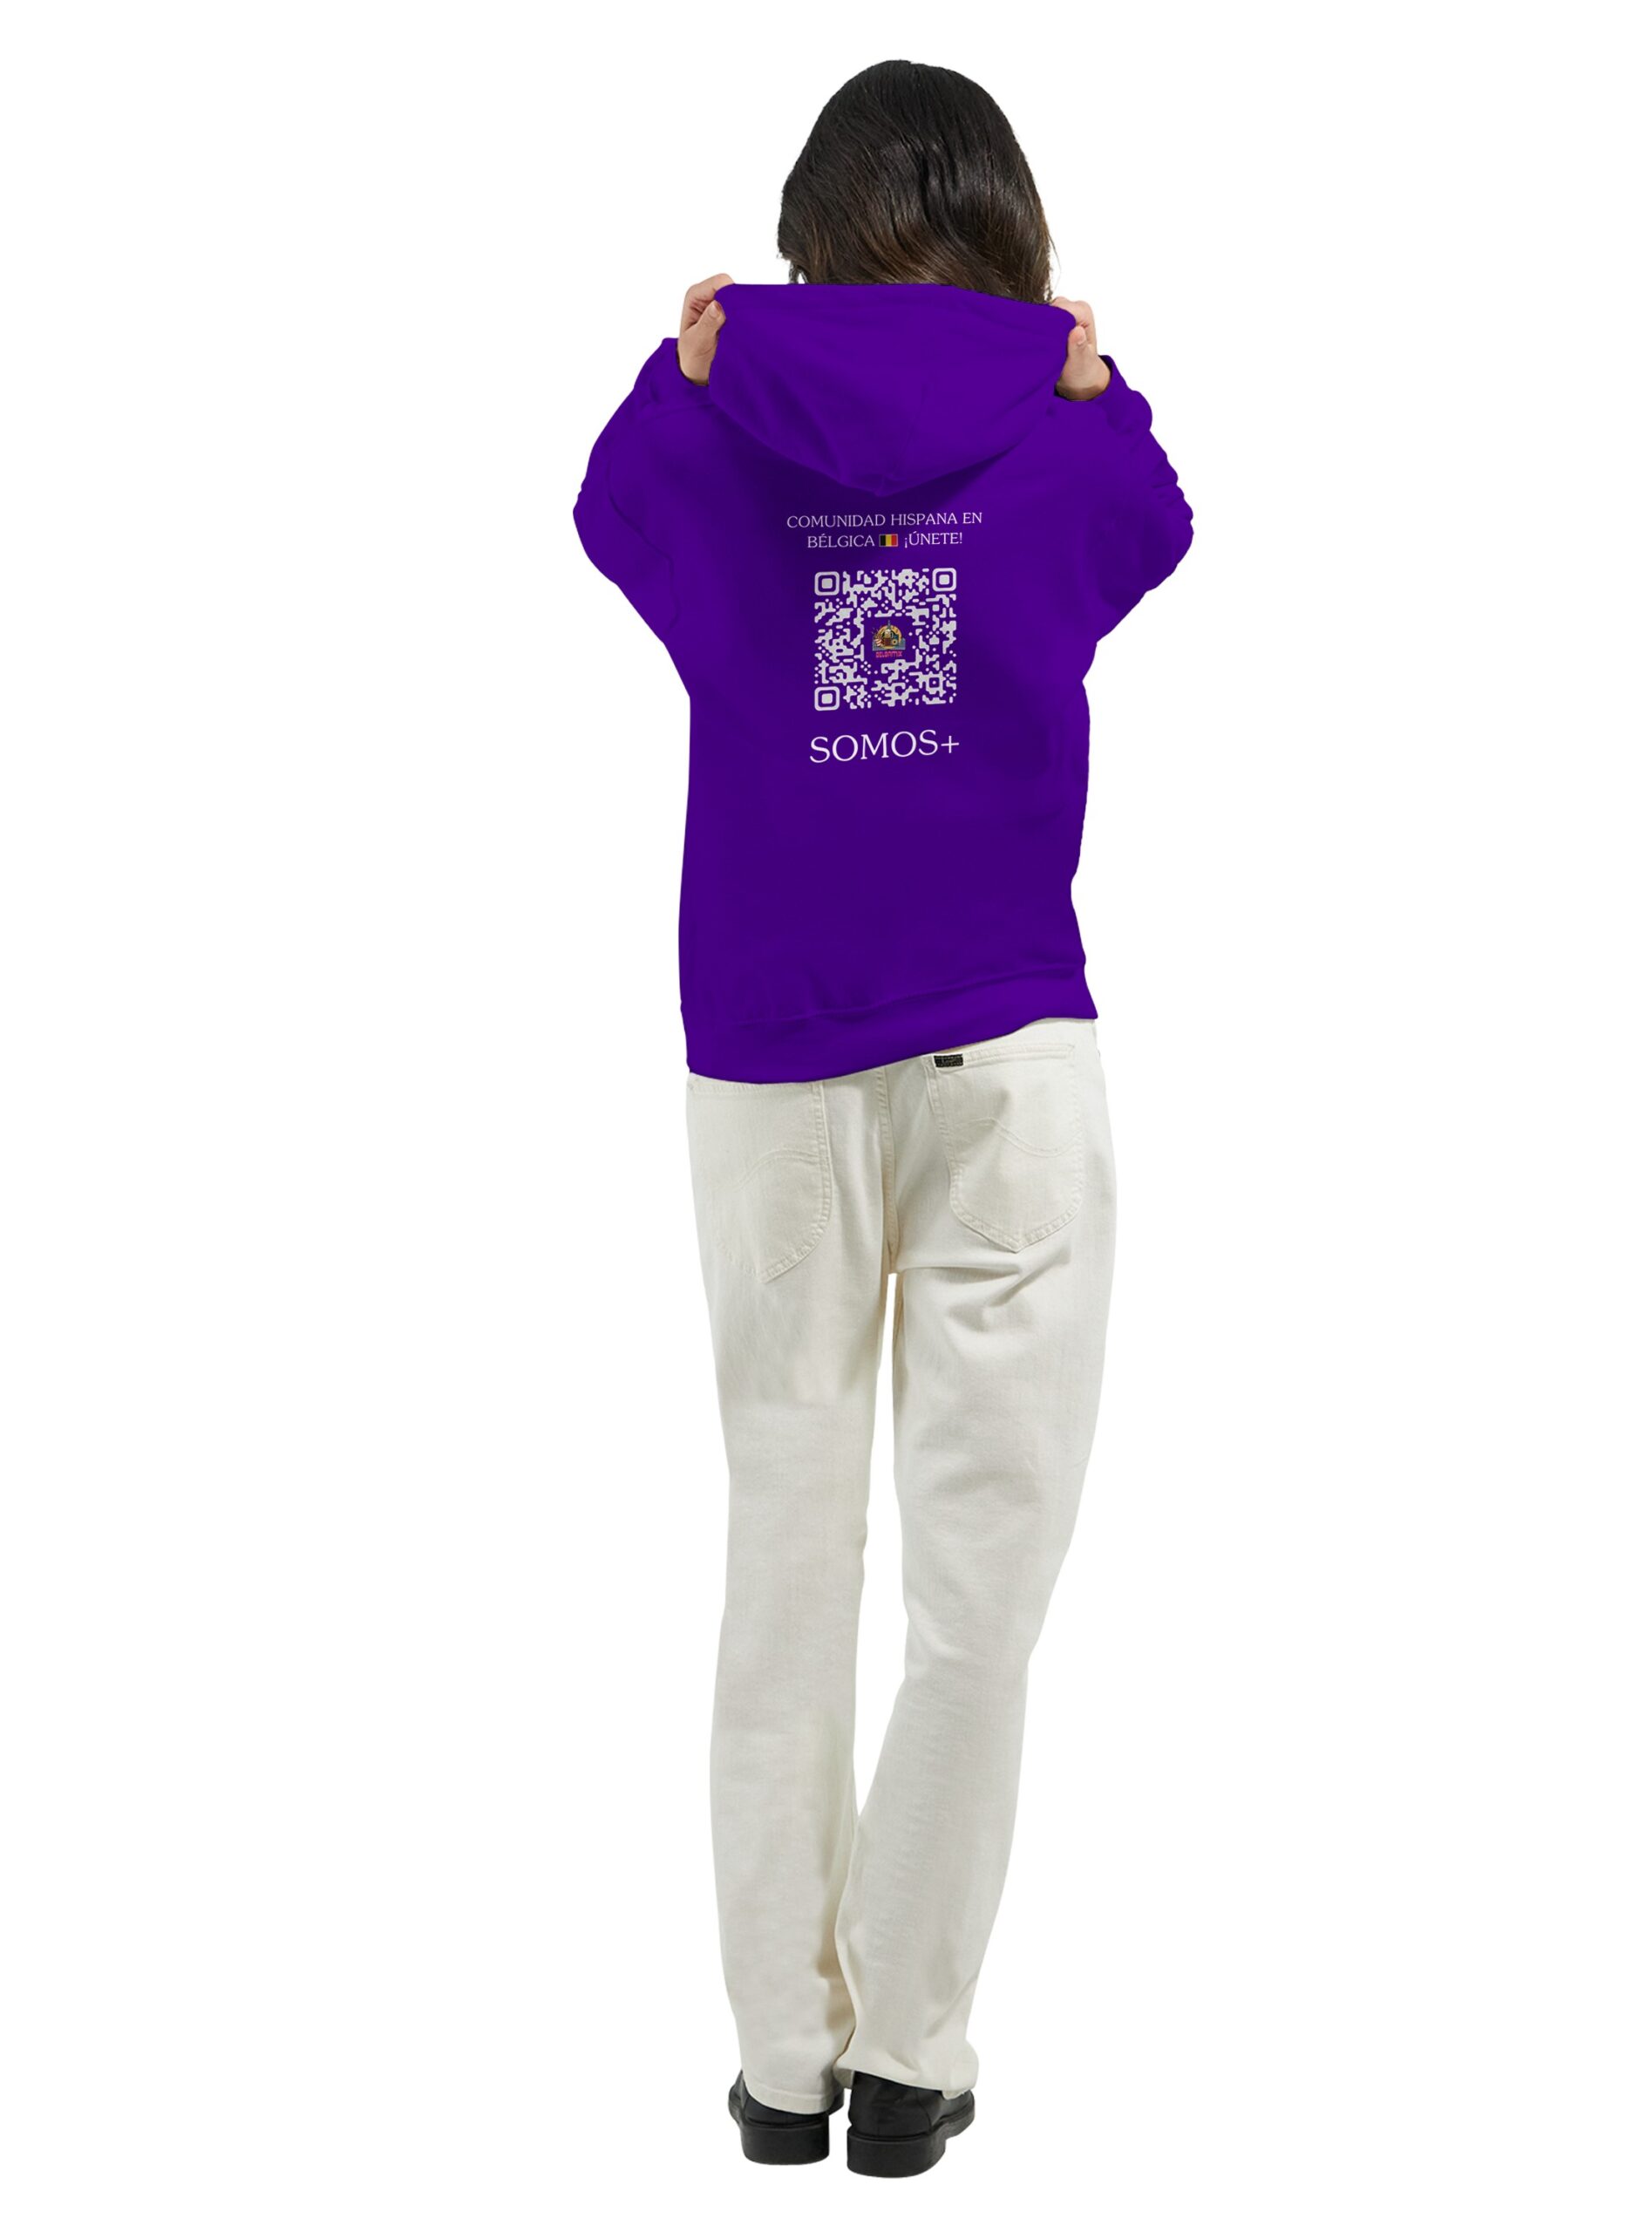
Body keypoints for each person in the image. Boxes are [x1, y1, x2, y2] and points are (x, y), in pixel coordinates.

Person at [572, 58, 1193, 2178]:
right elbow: (1152, 524)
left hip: (767, 1055)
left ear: (807, 240)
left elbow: (609, 511)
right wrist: (1089, 383)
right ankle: (911, 2053)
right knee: (976, 1591)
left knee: (784, 1550)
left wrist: (680, 376)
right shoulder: (1060, 439)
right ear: (1008, 232)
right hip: (1005, 1056)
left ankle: (781, 2060)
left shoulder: (717, 433)